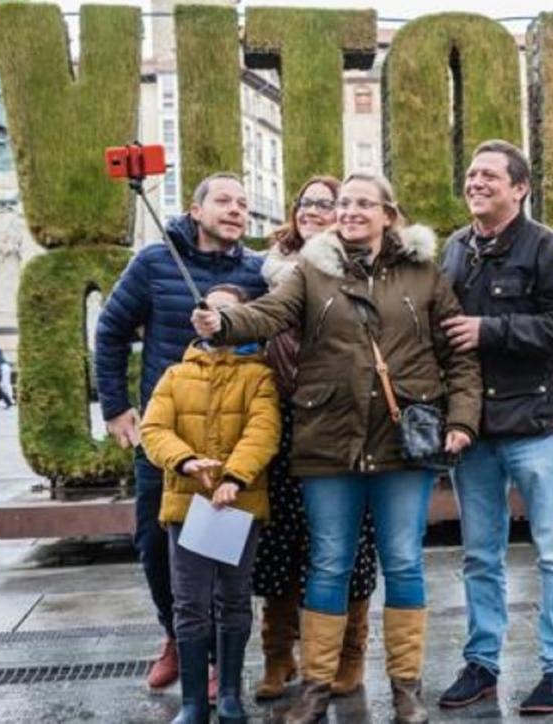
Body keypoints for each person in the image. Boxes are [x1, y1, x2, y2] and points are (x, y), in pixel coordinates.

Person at [192, 172, 481, 724]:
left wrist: (462, 419)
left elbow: (459, 354)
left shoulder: (425, 274)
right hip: (328, 441)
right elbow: (269, 314)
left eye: (362, 203)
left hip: (403, 444)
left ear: (388, 215)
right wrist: (223, 322)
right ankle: (317, 687)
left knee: (403, 562)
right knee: (328, 563)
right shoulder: (311, 270)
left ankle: (405, 688)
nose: (349, 211)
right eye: (344, 203)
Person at [95, 173, 267, 692]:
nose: (235, 210)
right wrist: (117, 407)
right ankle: (176, 636)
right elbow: (110, 330)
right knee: (155, 540)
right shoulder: (154, 262)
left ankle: (215, 657)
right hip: (166, 436)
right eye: (223, 200)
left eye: (242, 203)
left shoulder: (256, 272)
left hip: (232, 439)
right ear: (195, 210)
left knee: (223, 547)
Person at [437, 140, 553, 715]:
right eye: (472, 174)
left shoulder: (546, 247)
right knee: (479, 555)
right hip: (474, 432)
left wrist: (491, 330)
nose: (476, 183)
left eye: (489, 176)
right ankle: (481, 665)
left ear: (519, 188)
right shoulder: (454, 248)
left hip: (535, 427)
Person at [251, 176, 380, 702]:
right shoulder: (264, 267)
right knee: (279, 540)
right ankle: (279, 655)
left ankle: (350, 654)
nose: (315, 210)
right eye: (307, 203)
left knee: (351, 540)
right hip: (282, 417)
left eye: (328, 204)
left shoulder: (357, 268)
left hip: (343, 418)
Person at [141, 284, 281, 724]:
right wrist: (184, 461)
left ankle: (232, 694)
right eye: (209, 307)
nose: (214, 315)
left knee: (235, 598)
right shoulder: (175, 376)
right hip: (187, 507)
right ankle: (194, 701)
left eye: (227, 311)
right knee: (190, 603)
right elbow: (154, 429)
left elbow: (264, 430)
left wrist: (235, 478)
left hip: (238, 504)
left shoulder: (259, 375)